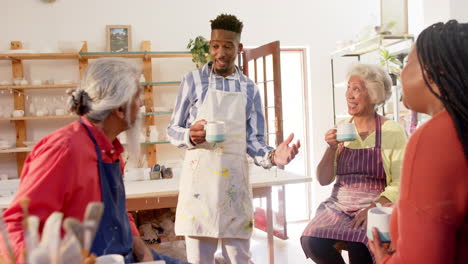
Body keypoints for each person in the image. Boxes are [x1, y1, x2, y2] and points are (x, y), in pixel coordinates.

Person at [1, 59, 187, 264]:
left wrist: (142, 250)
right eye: (137, 96)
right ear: (120, 109)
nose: (142, 103)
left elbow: (118, 214)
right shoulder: (64, 150)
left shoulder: (111, 150)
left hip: (125, 256)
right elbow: (16, 226)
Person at [167, 14, 300, 264]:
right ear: (210, 46)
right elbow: (172, 129)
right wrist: (189, 135)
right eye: (215, 46)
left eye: (227, 46)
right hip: (199, 190)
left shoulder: (249, 88)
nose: (220, 53)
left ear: (238, 48)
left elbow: (254, 140)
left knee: (240, 260)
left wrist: (273, 156)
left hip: (234, 190)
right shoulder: (192, 81)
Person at [369, 20, 468, 264]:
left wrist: (385, 260)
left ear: (435, 71)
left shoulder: (435, 138)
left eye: (406, 63)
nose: (400, 74)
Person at [301, 64, 407, 264]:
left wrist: (375, 206)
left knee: (360, 247)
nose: (349, 95)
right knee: (311, 240)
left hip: (373, 206)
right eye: (348, 88)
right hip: (338, 207)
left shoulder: (392, 131)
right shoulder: (342, 129)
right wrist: (331, 148)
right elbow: (324, 180)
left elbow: (401, 181)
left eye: (357, 89)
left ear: (374, 95)